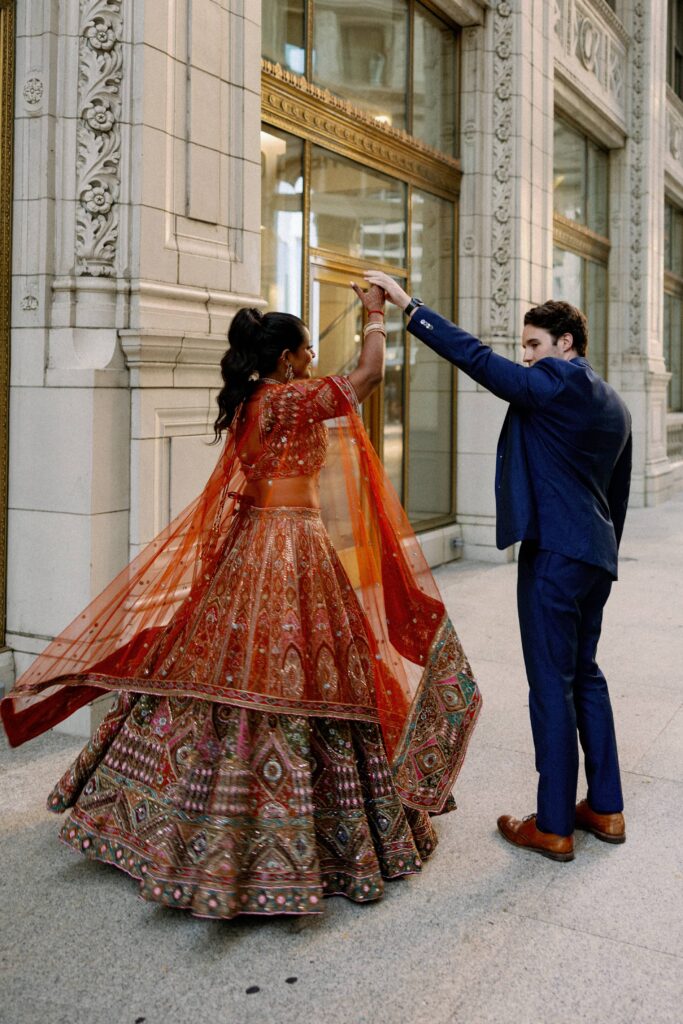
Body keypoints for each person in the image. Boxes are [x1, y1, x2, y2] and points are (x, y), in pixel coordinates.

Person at [1, 283, 481, 919]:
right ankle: (298, 837)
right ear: (286, 358)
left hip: (252, 543)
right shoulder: (288, 399)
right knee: (305, 671)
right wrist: (375, 312)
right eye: (307, 353)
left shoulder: (252, 402)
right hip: (294, 547)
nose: (312, 362)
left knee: (219, 667)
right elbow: (366, 374)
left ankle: (165, 817)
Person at [364, 270, 631, 864]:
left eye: (534, 345)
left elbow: (479, 361)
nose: (527, 359)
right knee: (585, 673)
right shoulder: (612, 401)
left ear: (567, 344)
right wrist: (602, 556)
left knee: (551, 686)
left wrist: (411, 307)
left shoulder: (555, 381)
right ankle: (606, 808)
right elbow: (617, 494)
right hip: (594, 556)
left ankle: (555, 825)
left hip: (555, 557)